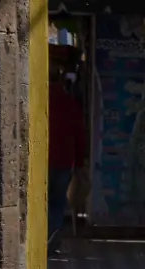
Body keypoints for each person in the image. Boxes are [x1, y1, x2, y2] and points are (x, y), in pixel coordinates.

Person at [48, 66, 87, 256]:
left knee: (41, 202)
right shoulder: (70, 104)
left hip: (42, 162)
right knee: (57, 203)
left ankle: (38, 242)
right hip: (64, 162)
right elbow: (80, 136)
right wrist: (79, 163)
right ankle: (51, 243)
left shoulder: (37, 100)